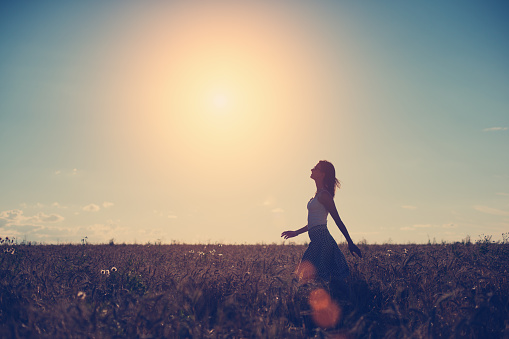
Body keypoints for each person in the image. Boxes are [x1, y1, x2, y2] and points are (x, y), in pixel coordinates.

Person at [281, 160, 362, 283]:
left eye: (315, 168)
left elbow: (337, 220)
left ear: (322, 174)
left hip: (323, 241)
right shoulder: (317, 195)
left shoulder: (325, 196)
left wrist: (350, 242)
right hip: (316, 241)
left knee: (317, 277)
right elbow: (314, 223)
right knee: (307, 276)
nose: (312, 170)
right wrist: (296, 232)